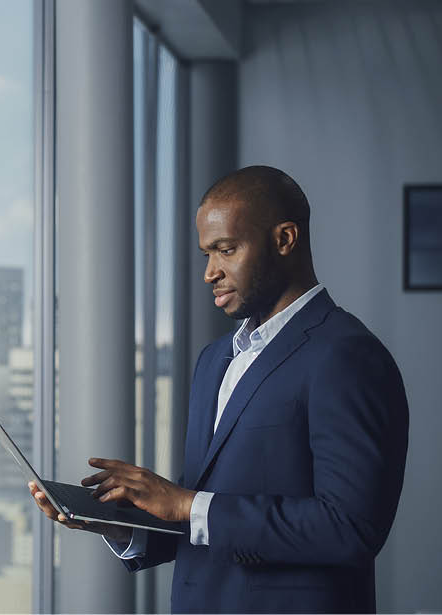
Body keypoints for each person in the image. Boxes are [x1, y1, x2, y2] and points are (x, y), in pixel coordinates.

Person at [30, 165, 408, 613]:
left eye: (226, 250)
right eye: (206, 254)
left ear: (285, 239)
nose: (210, 272)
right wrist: (116, 524)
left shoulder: (346, 355)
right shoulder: (214, 360)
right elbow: (207, 521)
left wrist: (186, 504)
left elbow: (350, 529)